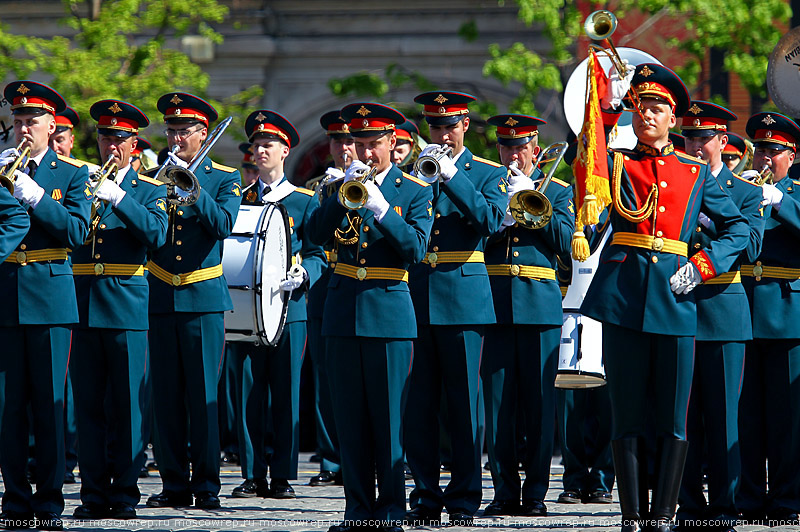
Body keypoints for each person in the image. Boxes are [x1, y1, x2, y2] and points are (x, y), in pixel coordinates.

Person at [579, 64, 749, 532]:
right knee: (627, 414)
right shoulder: (615, 166)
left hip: (675, 300)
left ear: (673, 118)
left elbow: (737, 229)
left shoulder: (694, 172)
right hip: (623, 297)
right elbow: (593, 231)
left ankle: (663, 515)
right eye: (640, 108)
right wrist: (584, 217)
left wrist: (702, 267)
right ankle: (632, 516)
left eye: (656, 108)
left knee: (675, 418)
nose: (647, 115)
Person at [307, 102, 433, 532]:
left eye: (374, 144)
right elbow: (315, 235)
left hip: (389, 310)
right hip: (344, 311)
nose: (364, 152)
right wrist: (339, 193)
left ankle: (393, 509)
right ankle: (357, 511)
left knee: (388, 418)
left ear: (393, 142)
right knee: (351, 418)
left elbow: (415, 249)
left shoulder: (413, 191)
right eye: (358, 144)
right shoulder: (339, 185)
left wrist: (380, 207)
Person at [404, 91, 507, 527]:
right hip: (419, 294)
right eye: (435, 127)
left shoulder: (486, 173)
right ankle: (425, 494)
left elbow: (491, 221)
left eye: (450, 126)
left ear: (466, 125)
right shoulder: (414, 174)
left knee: (465, 405)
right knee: (420, 406)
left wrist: (453, 177)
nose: (442, 135)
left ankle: (465, 496)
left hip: (463, 298)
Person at [69, 99, 168, 520]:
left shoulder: (151, 189)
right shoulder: (83, 182)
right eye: (106, 137)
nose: (112, 145)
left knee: (128, 406)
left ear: (134, 145)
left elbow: (156, 235)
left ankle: (125, 492)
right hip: (84, 300)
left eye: (120, 138)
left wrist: (121, 198)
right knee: (88, 407)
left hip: (126, 303)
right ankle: (93, 493)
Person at [0, 80, 91, 531]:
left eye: (32, 121)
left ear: (50, 124)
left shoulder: (71, 173)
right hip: (7, 295)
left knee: (49, 405)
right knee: (9, 406)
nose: (23, 128)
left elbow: (76, 232)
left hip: (51, 299)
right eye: (17, 120)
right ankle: (14, 500)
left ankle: (50, 500)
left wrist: (34, 196)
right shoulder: (0, 167)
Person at [145, 92, 242, 510]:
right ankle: (172, 484)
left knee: (203, 397)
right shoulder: (153, 177)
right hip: (161, 294)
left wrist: (193, 186)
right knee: (165, 397)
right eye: (171, 130)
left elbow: (223, 224)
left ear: (203, 134)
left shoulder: (224, 177)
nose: (176, 137)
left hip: (202, 297)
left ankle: (206, 485)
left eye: (184, 131)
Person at [480, 114, 574, 517]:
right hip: (496, 304)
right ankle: (503, 490)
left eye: (521, 147)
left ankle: (536, 492)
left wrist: (536, 201)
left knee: (539, 407)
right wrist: (502, 209)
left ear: (536, 149)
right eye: (506, 147)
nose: (513, 155)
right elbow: (476, 234)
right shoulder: (487, 188)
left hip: (539, 305)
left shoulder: (559, 190)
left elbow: (569, 243)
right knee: (498, 406)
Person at [676, 101, 764, 532]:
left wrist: (712, 220)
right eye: (688, 138)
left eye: (702, 138)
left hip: (724, 313)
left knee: (726, 417)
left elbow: (750, 249)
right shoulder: (674, 184)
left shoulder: (745, 193)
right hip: (679, 312)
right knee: (686, 418)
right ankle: (689, 507)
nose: (694, 145)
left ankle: (726, 508)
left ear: (722, 142)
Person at [230, 110, 325, 499]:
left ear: (285, 151)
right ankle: (252, 472)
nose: (260, 150)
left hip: (290, 307)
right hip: (246, 308)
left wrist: (304, 276)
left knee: (286, 392)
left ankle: (283, 474)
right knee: (247, 390)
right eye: (256, 144)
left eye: (268, 144)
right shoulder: (239, 199)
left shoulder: (303, 201)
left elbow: (318, 252)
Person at [738, 111, 800, 525]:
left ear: (791, 156)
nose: (763, 158)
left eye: (773, 151)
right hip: (741, 307)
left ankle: (787, 499)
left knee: (787, 418)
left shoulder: (796, 192)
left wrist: (782, 203)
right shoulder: (741, 189)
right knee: (746, 415)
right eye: (759, 148)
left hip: (786, 308)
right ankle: (745, 496)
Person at [555, 141, 616, 508]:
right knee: (572, 409)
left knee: (608, 405)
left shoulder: (618, 214)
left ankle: (604, 478)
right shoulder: (566, 208)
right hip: (570, 314)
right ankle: (575, 477)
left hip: (606, 318)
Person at [306, 110, 357, 487]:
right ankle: (331, 461)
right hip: (330, 283)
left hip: (367, 285)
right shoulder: (318, 186)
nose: (344, 147)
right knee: (328, 379)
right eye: (337, 141)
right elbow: (314, 240)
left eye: (350, 141)